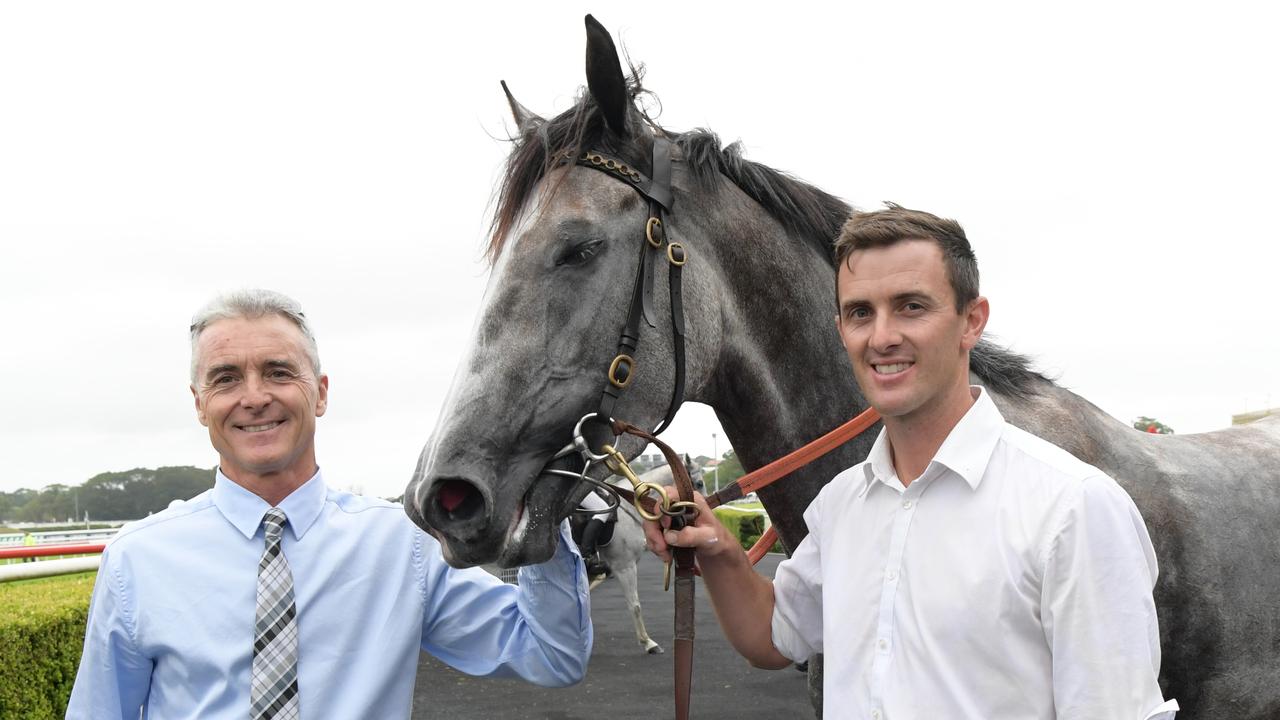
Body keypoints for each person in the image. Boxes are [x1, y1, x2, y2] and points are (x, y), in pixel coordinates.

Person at [644, 205, 1179, 719]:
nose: (882, 337)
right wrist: (716, 548)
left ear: (972, 322)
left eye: (911, 306)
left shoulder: (1075, 509)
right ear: (841, 333)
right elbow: (772, 636)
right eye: (860, 313)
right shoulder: (841, 505)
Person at [68, 289, 592, 719]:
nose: (254, 397)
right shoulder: (136, 560)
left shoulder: (403, 545)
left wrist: (547, 501)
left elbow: (551, 653)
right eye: (226, 378)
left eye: (278, 372)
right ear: (200, 404)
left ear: (319, 393)